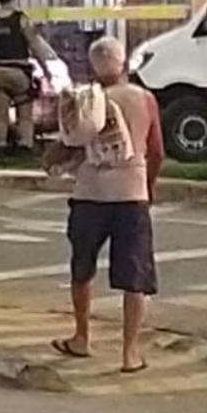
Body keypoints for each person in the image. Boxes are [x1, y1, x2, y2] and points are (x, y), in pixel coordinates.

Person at [51, 36, 165, 373]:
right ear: (124, 63)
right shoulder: (145, 99)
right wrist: (148, 185)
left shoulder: (85, 100)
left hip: (88, 195)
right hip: (131, 195)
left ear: (92, 67)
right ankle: (130, 353)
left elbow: (67, 147)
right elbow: (157, 151)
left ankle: (81, 337)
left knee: (82, 267)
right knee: (134, 276)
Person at [0, 0, 50, 154]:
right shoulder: (21, 19)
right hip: (18, 71)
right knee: (24, 112)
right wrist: (46, 70)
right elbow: (34, 44)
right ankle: (25, 144)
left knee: (0, 114)